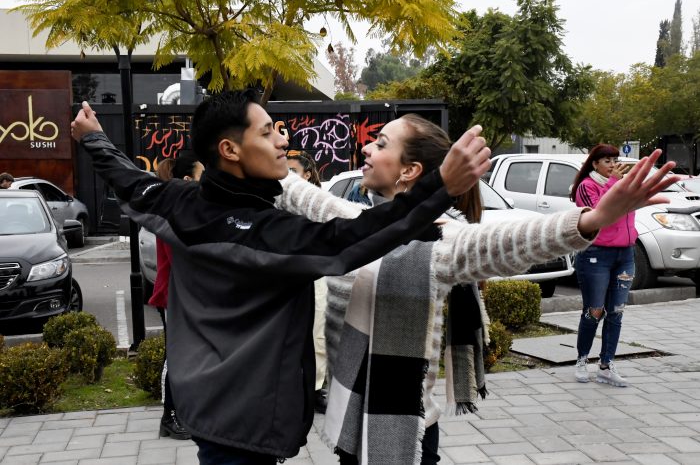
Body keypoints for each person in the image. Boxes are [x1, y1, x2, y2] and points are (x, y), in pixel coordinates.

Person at [70, 89, 496, 464]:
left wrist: (94, 139)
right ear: (230, 150)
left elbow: (130, 182)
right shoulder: (261, 233)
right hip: (243, 426)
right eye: (268, 132)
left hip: (205, 406)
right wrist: (438, 186)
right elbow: (350, 239)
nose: (282, 140)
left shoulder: (177, 201)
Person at [275, 115, 679, 464]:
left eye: (380, 144)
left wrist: (591, 220)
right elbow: (296, 192)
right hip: (349, 418)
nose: (365, 148)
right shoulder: (354, 222)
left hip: (401, 429)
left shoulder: (442, 241)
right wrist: (261, 144)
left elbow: (506, 243)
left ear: (409, 171)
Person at [148, 153, 204, 440]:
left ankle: (183, 412)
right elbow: (183, 259)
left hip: (184, 296)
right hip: (174, 296)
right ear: (187, 180)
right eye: (200, 176)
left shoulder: (187, 210)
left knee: (186, 355)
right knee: (177, 356)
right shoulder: (174, 212)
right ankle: (169, 416)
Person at [570, 144, 636, 387]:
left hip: (625, 254)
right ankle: (581, 360)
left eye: (614, 160)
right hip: (596, 254)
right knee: (594, 311)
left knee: (616, 312)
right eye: (606, 160)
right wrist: (614, 185)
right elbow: (599, 213)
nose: (611, 164)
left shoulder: (621, 184)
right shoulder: (586, 187)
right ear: (594, 163)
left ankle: (606, 366)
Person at [286, 151, 329, 413]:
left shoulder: (319, 203)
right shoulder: (279, 200)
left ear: (307, 174)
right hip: (289, 275)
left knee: (317, 333)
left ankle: (316, 389)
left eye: (292, 170)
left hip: (317, 275)